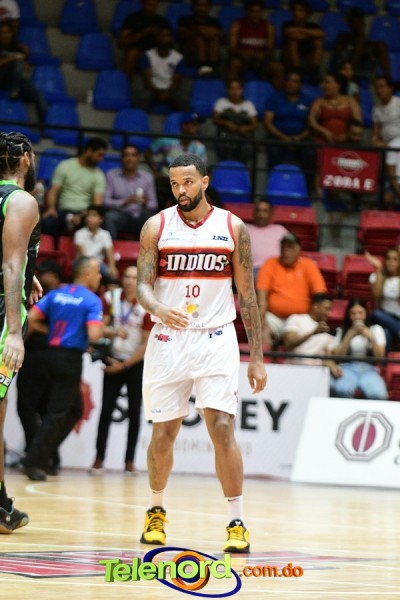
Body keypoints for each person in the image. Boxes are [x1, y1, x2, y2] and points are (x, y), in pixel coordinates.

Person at [136, 153, 267, 552]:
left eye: (188, 182)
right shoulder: (156, 226)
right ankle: (156, 510)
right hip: (168, 338)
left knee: (223, 429)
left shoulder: (232, 227)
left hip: (216, 337)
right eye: (175, 183)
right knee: (164, 432)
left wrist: (256, 357)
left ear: (205, 182)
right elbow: (142, 287)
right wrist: (158, 308)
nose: (181, 190)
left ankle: (236, 521)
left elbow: (247, 295)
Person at [22, 256, 104, 481]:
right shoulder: (92, 300)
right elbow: (94, 335)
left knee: (75, 410)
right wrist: (103, 329)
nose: (99, 277)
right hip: (69, 359)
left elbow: (31, 319)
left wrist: (50, 332)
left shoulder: (56, 294)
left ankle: (42, 453)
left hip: (49, 355)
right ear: (86, 274)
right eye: (97, 272)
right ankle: (34, 460)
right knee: (57, 414)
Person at [0, 130, 42, 532]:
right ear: (25, 159)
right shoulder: (21, 200)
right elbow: (10, 265)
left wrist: (28, 273)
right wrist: (14, 331)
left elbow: (15, 261)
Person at [90, 266, 152, 475]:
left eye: (134, 277)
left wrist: (124, 366)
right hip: (112, 358)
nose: (129, 281)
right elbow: (99, 328)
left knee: (135, 412)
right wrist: (113, 331)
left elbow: (146, 344)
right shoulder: (111, 298)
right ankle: (99, 459)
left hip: (134, 364)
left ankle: (130, 461)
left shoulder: (147, 303)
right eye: (127, 276)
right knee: (106, 410)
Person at [16, 260, 62, 474]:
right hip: (48, 359)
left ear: (55, 275)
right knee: (44, 410)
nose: (41, 276)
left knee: (28, 408)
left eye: (45, 273)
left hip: (37, 358)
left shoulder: (52, 297)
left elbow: (31, 324)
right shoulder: (51, 296)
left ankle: (35, 455)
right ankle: (48, 457)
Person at [256, 232, 327, 345]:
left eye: (290, 247)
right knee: (259, 326)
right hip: (274, 318)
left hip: (299, 319)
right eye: (283, 247)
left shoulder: (308, 265)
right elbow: (262, 293)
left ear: (298, 250)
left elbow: (320, 293)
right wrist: (261, 314)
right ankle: (265, 355)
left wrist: (320, 315)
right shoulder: (270, 263)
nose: (286, 251)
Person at [41, 137, 108, 238]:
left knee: (99, 223)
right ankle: (55, 248)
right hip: (63, 211)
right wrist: (51, 208)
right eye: (99, 155)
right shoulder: (65, 166)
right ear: (89, 151)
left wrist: (83, 215)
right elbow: (53, 191)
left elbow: (97, 203)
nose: (101, 159)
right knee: (48, 221)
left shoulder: (99, 175)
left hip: (85, 214)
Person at [330, 297, 388, 400]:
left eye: (360, 313)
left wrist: (370, 337)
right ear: (348, 315)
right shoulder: (342, 330)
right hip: (347, 368)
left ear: (366, 313)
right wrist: (348, 336)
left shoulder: (376, 329)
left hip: (369, 369)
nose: (357, 317)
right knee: (341, 390)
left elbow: (380, 356)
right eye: (353, 313)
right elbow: (338, 357)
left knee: (379, 394)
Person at [146, 113, 207, 209]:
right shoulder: (167, 141)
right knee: (161, 192)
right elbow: (148, 153)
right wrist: (155, 172)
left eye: (197, 125)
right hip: (167, 180)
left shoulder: (200, 147)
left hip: (189, 183)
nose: (196, 128)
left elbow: (203, 169)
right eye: (193, 125)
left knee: (210, 193)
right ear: (184, 126)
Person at [263, 68, 314, 182]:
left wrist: (298, 138)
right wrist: (284, 138)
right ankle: (274, 184)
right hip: (277, 137)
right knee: (273, 152)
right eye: (288, 80)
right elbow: (268, 123)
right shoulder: (274, 98)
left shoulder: (308, 100)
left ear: (300, 85)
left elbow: (311, 125)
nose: (290, 84)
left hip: (301, 139)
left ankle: (307, 187)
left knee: (310, 153)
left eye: (294, 81)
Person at [104, 145, 158, 241]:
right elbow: (105, 201)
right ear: (122, 158)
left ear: (138, 158)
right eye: (126, 155)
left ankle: (150, 250)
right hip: (121, 215)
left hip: (140, 215)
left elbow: (154, 204)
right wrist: (124, 202)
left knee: (154, 220)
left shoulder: (147, 177)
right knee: (109, 217)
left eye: (133, 155)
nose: (130, 158)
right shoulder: (111, 175)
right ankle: (110, 249)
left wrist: (145, 203)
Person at [227, 0, 283, 89]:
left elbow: (271, 49)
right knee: (234, 64)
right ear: (247, 11)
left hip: (261, 61)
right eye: (252, 11)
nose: (255, 14)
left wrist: (263, 54)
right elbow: (231, 48)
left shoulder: (269, 27)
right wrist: (242, 53)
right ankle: (233, 93)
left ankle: (276, 95)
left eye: (258, 12)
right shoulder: (237, 25)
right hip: (242, 59)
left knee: (278, 68)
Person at [282, 292, 341, 377]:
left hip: (316, 373)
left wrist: (333, 367)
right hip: (294, 369)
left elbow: (327, 358)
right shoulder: (296, 319)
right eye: (326, 309)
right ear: (315, 307)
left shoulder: (327, 331)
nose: (329, 313)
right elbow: (289, 343)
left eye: (330, 309)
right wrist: (313, 332)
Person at [0, 21, 47, 124]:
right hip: (2, 77)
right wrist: (13, 58)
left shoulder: (17, 47)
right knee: (16, 63)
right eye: (2, 32)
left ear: (12, 34)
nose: (5, 35)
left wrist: (25, 64)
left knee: (39, 97)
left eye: (7, 32)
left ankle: (45, 127)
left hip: (17, 79)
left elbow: (25, 63)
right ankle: (14, 90)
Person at [331, 7, 391, 82]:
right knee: (361, 40)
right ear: (350, 24)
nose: (359, 25)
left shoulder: (367, 43)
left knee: (380, 44)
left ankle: (388, 80)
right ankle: (350, 75)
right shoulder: (343, 36)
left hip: (363, 69)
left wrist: (363, 48)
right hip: (345, 69)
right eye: (355, 22)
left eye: (361, 22)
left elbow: (370, 56)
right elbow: (339, 57)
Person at [117, 0, 170, 78]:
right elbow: (121, 43)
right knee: (132, 53)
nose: (150, 8)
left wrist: (159, 35)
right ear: (142, 4)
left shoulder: (161, 21)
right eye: (148, 5)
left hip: (156, 53)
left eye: (153, 6)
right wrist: (142, 33)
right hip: (137, 53)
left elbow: (169, 42)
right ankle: (125, 82)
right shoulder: (132, 19)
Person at [139, 26, 186, 112]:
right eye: (161, 35)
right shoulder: (147, 55)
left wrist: (167, 92)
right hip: (152, 89)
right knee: (143, 98)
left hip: (170, 90)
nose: (164, 38)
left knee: (182, 99)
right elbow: (147, 80)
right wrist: (158, 92)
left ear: (171, 39)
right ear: (157, 38)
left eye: (167, 36)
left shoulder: (179, 58)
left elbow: (177, 82)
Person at [308, 73, 362, 145]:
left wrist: (346, 135)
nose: (323, 86)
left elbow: (357, 121)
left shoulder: (350, 101)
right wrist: (324, 132)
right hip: (323, 142)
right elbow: (311, 121)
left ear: (338, 85)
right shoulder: (319, 102)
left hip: (346, 143)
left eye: (327, 82)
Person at [213, 78, 258, 164]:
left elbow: (254, 125)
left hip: (243, 137)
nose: (235, 92)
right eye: (232, 89)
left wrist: (245, 128)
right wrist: (226, 123)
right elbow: (215, 119)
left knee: (247, 147)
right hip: (225, 135)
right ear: (228, 90)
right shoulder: (221, 102)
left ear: (242, 90)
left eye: (237, 88)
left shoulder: (249, 105)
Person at [281, 0, 325, 85]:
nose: (296, 13)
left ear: (306, 13)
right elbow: (289, 33)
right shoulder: (287, 24)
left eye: (300, 10)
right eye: (295, 10)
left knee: (318, 40)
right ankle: (296, 70)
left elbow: (321, 34)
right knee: (292, 40)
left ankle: (314, 70)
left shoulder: (313, 26)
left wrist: (300, 31)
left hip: (307, 60)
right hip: (289, 61)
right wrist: (310, 34)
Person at [74, 205, 119, 285]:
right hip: (83, 263)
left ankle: (111, 291)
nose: (90, 218)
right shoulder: (79, 233)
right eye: (88, 215)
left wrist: (112, 266)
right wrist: (91, 267)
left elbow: (110, 252)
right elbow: (82, 255)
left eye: (94, 215)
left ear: (101, 219)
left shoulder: (105, 234)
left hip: (98, 264)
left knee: (112, 274)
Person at [177, 0, 223, 76]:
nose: (202, 8)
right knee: (199, 38)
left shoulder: (214, 22)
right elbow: (182, 35)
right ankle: (203, 66)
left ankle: (213, 66)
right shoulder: (185, 20)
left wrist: (211, 32)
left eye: (205, 6)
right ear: (194, 7)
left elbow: (221, 35)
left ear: (209, 7)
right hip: (190, 53)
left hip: (210, 51)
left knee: (215, 38)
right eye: (199, 5)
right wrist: (198, 31)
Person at [366, 247, 400, 351]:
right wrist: (378, 269)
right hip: (384, 317)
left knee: (386, 332)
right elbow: (376, 295)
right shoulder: (376, 276)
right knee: (376, 314)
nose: (391, 262)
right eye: (388, 258)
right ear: (384, 260)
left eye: (395, 259)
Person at [246, 198, 288, 275]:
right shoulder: (244, 229)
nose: (260, 214)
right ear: (253, 213)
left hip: (276, 271)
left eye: (265, 211)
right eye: (258, 210)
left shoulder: (280, 230)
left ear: (271, 214)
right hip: (251, 272)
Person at [371, 76, 400, 147]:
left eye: (381, 87)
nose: (379, 90)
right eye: (376, 87)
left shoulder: (398, 103)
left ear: (390, 88)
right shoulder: (376, 109)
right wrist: (373, 141)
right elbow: (376, 133)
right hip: (385, 144)